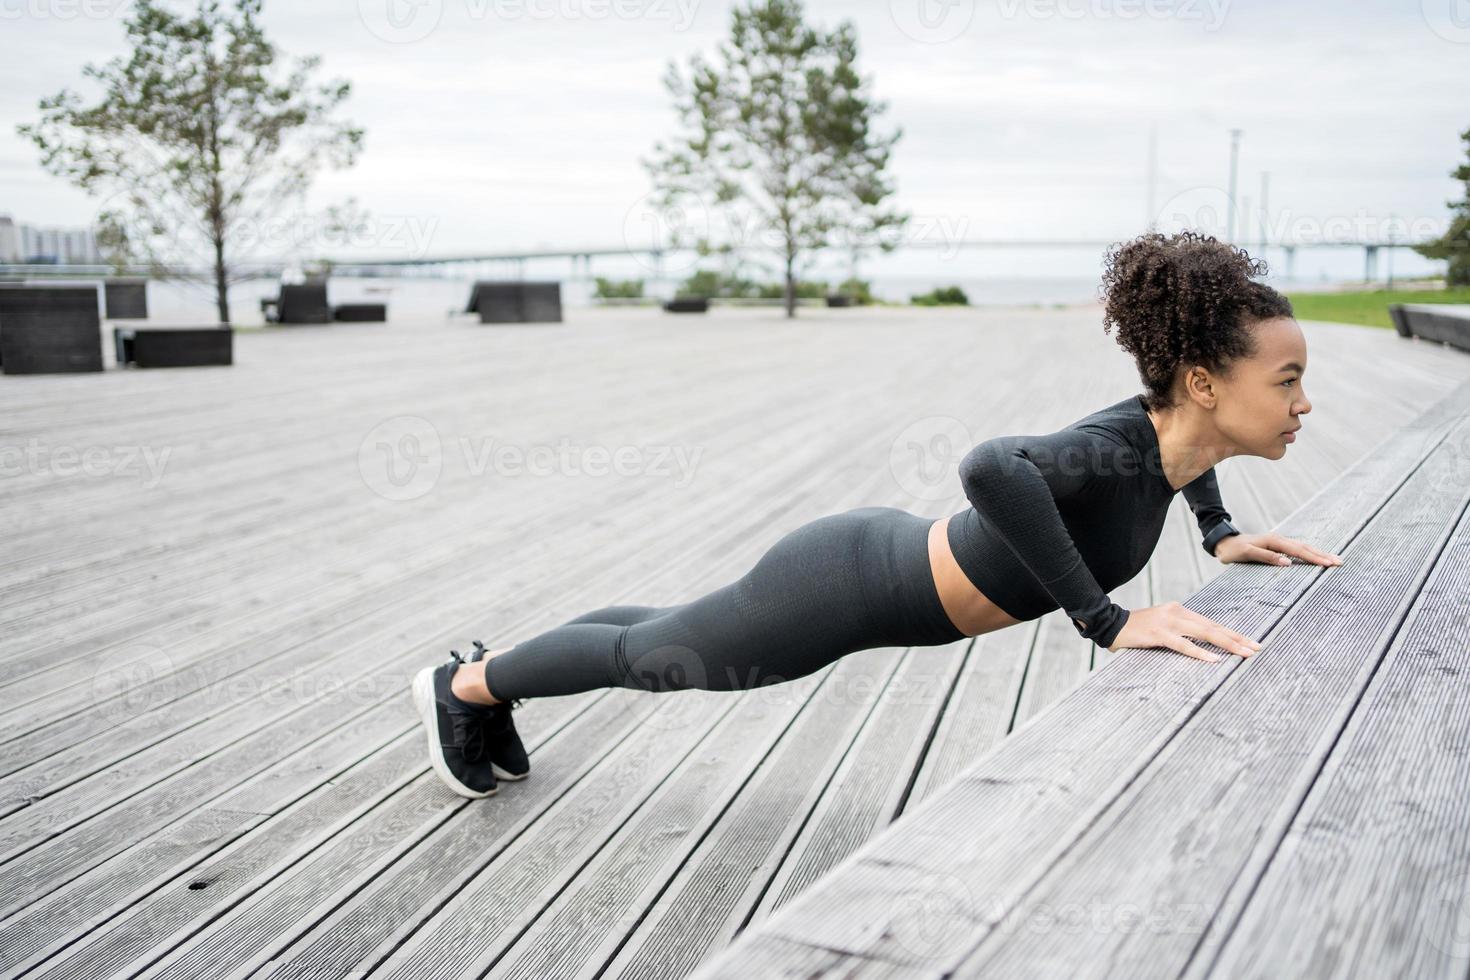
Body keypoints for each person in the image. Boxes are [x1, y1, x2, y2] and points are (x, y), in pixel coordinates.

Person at [410, 229, 1344, 799]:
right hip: (848, 586)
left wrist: (1219, 535)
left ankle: (489, 676)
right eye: (1288, 381)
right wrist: (1103, 622)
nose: (1304, 405)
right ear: (1202, 382)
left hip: (870, 564)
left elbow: (1189, 459)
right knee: (654, 660)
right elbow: (991, 467)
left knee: (661, 630)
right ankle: (465, 689)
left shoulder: (1175, 437)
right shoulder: (1114, 441)